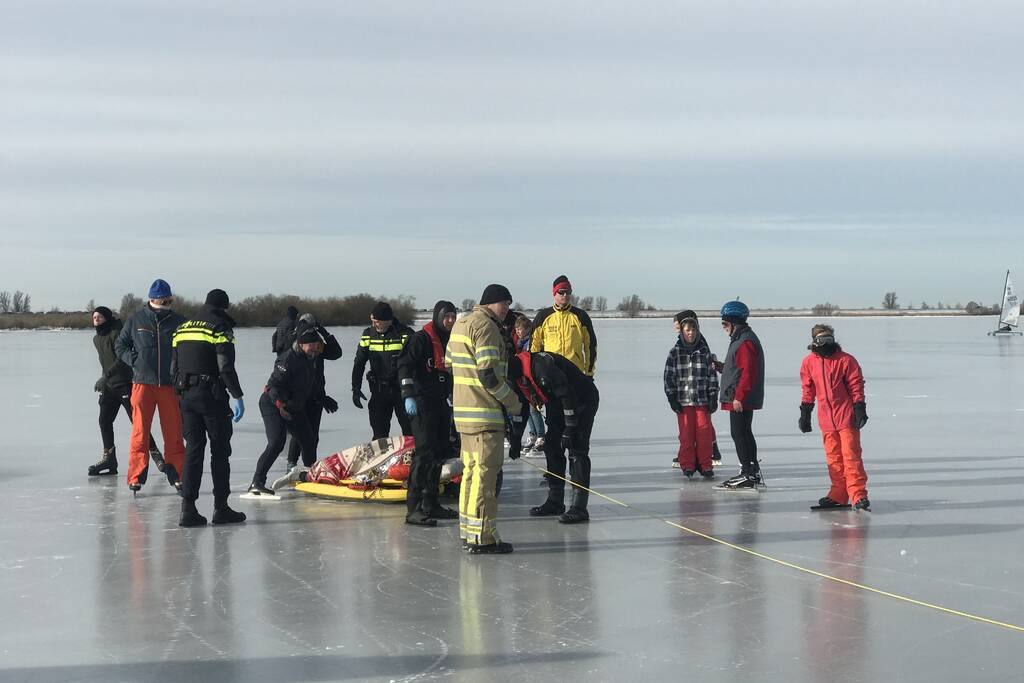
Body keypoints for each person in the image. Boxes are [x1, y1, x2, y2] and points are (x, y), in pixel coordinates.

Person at [446, 284, 523, 554]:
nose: (507, 311)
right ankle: (484, 538)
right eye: (505, 304)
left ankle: (468, 533)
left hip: (464, 416)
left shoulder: (461, 324)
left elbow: (448, 362)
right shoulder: (486, 327)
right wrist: (514, 403)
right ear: (493, 303)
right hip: (484, 416)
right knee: (485, 478)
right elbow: (489, 375)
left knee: (470, 476)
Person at [170, 289, 247, 526]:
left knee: (193, 451)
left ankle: (188, 509)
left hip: (185, 397)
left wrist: (182, 394)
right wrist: (237, 395)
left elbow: (174, 368)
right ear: (224, 307)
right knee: (220, 452)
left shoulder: (182, 328)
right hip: (211, 397)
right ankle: (221, 508)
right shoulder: (219, 327)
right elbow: (225, 366)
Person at [508, 350, 599, 523]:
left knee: (576, 450)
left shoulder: (542, 367)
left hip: (582, 399)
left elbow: (568, 394)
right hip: (557, 403)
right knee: (552, 446)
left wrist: (570, 428)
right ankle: (555, 501)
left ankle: (579, 507)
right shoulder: (515, 377)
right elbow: (521, 409)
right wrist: (515, 439)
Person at [114, 279, 186, 493]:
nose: (165, 301)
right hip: (142, 383)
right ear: (152, 299)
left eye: (168, 297)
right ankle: (136, 475)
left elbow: (187, 347)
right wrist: (134, 360)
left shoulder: (178, 321)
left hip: (169, 384)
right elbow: (120, 345)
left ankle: (178, 473)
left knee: (174, 432)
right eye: (162, 298)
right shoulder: (136, 319)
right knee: (140, 432)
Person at [397, 300, 458, 526]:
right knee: (424, 454)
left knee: (439, 453)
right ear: (437, 316)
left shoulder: (450, 340)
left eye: (453, 317)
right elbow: (404, 364)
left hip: (441, 402)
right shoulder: (421, 339)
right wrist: (407, 393)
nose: (450, 321)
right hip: (421, 402)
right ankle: (413, 507)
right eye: (446, 317)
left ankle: (431, 502)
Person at [799, 324, 871, 511]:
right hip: (826, 419)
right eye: (822, 340)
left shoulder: (846, 360)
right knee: (834, 459)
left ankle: (858, 495)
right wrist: (805, 413)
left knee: (851, 456)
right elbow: (808, 389)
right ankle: (839, 494)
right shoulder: (809, 362)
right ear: (815, 341)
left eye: (829, 339)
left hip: (846, 417)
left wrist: (859, 407)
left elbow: (856, 385)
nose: (826, 343)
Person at [249, 326, 325, 495]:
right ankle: (257, 482)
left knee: (309, 441)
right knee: (276, 443)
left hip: (292, 406)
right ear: (301, 344)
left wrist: (323, 397)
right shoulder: (287, 359)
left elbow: (308, 384)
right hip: (273, 404)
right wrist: (280, 405)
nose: (314, 348)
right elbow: (273, 386)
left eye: (316, 345)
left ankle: (309, 476)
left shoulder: (309, 358)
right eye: (311, 345)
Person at [87, 306, 163, 476]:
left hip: (125, 384)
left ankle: (155, 453)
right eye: (94, 317)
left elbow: (122, 359)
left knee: (137, 422)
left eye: (99, 317)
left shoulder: (117, 334)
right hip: (109, 386)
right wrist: (105, 380)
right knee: (104, 421)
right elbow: (106, 362)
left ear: (107, 318)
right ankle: (109, 459)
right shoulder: (96, 338)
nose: (96, 319)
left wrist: (106, 377)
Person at [716, 300, 766, 490]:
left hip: (740, 399)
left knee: (739, 433)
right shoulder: (741, 339)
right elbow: (738, 368)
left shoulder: (745, 341)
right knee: (744, 432)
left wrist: (740, 396)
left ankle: (748, 472)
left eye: (724, 324)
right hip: (740, 396)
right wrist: (722, 367)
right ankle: (751, 470)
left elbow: (748, 372)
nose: (723, 328)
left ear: (733, 322)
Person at [663, 311, 719, 479]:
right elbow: (668, 377)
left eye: (693, 330)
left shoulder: (704, 352)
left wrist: (713, 396)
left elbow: (712, 376)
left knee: (704, 433)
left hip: (702, 400)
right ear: (682, 332)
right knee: (686, 435)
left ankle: (705, 465)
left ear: (697, 331)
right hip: (683, 400)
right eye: (687, 330)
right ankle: (687, 464)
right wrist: (671, 397)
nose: (690, 333)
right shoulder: (675, 353)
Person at [285, 314, 342, 469]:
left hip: (316, 393)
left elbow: (336, 353)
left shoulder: (317, 343)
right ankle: (292, 463)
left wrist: (324, 332)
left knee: (313, 433)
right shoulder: (296, 342)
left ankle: (310, 465)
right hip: (298, 394)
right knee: (300, 432)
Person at [351, 302, 413, 439]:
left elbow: (414, 364)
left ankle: (412, 457)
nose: (374, 325)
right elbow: (359, 363)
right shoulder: (368, 335)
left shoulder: (405, 334)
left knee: (410, 431)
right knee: (379, 434)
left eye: (377, 322)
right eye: (372, 321)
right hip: (379, 391)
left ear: (388, 321)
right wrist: (355, 388)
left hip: (401, 391)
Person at [530, 275, 597, 377]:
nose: (565, 295)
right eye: (561, 292)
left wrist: (589, 373)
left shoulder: (580, 316)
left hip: (575, 371)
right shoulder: (543, 316)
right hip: (551, 371)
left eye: (568, 292)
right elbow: (533, 346)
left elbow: (590, 345)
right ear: (554, 293)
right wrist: (534, 372)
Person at [514, 316, 546, 456]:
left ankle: (541, 437)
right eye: (516, 330)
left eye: (520, 329)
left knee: (534, 409)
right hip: (523, 380)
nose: (518, 332)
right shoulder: (520, 343)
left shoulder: (531, 343)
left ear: (527, 329)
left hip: (532, 380)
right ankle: (533, 434)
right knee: (527, 409)